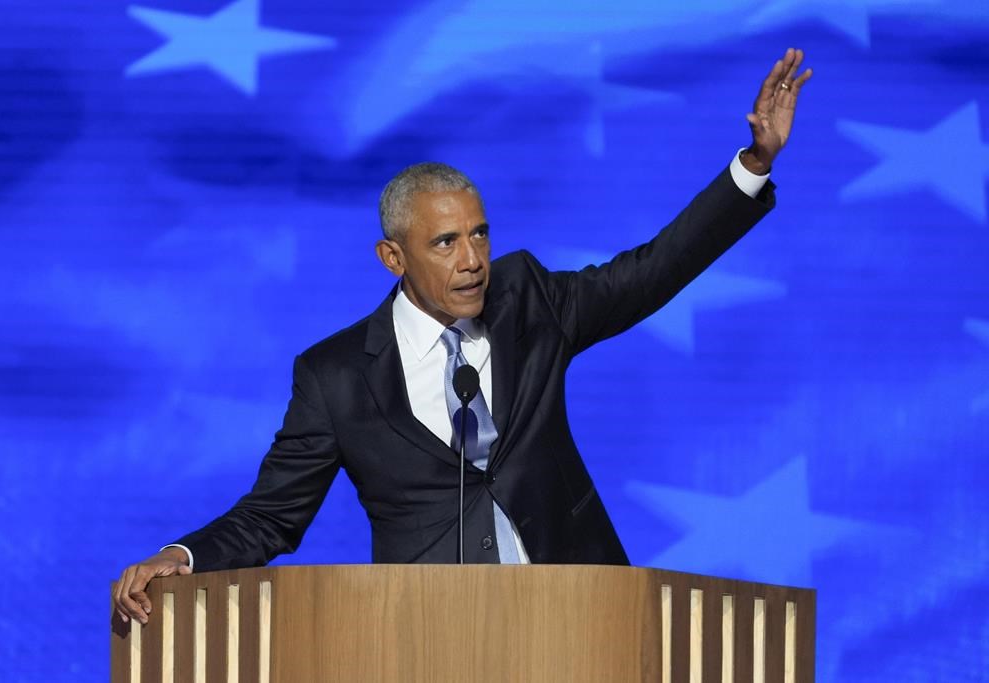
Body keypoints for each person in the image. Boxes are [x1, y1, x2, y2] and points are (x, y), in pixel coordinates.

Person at [114, 49, 812, 625]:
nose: (472, 258)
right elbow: (272, 515)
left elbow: (652, 271)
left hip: (585, 617)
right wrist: (184, 555)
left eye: (479, 233)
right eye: (445, 241)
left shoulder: (529, 300)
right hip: (429, 637)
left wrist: (752, 162)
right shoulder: (335, 377)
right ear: (394, 258)